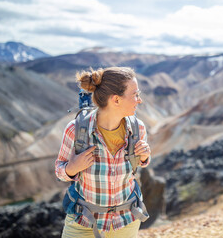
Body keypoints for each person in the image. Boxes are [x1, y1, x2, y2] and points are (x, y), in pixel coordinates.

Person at [55, 67, 151, 238]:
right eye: (135, 95)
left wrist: (144, 157)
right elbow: (59, 171)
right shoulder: (76, 129)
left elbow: (139, 165)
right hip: (83, 221)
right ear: (116, 100)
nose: (139, 100)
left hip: (126, 221)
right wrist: (72, 167)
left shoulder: (138, 128)